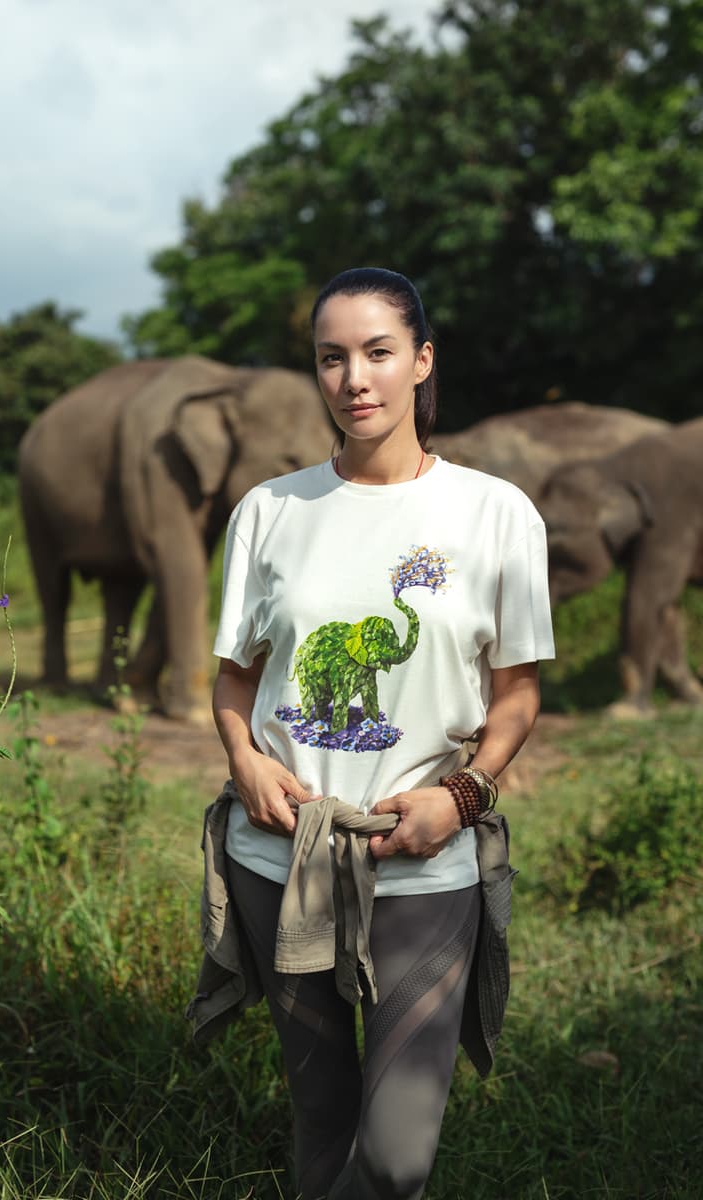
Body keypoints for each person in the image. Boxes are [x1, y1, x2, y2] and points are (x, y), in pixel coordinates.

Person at [207, 267, 555, 1200]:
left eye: (377, 352)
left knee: (397, 1158)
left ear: (421, 362)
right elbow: (236, 677)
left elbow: (516, 695)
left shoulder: (495, 514)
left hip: (425, 859)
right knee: (323, 1126)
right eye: (332, 358)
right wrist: (244, 761)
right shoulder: (270, 511)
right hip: (283, 858)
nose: (354, 378)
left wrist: (463, 794)